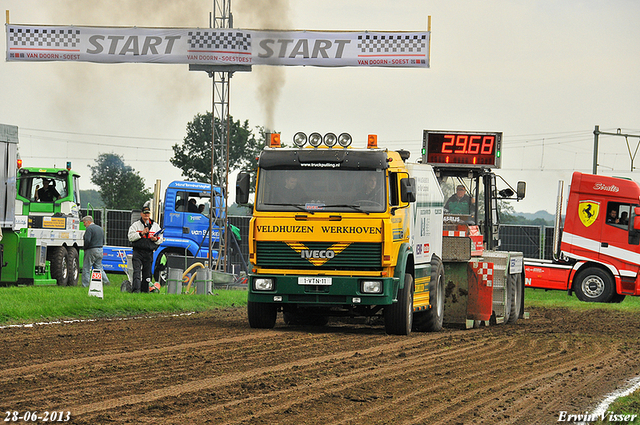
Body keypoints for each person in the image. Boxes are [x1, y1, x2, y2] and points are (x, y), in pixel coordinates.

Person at [128, 205, 163, 293]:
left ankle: (145, 290)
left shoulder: (155, 226)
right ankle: (136, 290)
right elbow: (130, 237)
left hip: (149, 252)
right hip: (137, 251)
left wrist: (156, 239)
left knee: (147, 273)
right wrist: (141, 234)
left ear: (149, 214)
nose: (146, 215)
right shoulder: (135, 225)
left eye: (147, 213)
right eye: (144, 213)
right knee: (136, 271)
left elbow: (161, 239)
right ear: (141, 214)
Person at [81, 216, 110, 287]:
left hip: (91, 250)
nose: (84, 224)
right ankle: (106, 282)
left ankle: (85, 285)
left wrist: (85, 248)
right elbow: (103, 240)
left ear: (88, 221)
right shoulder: (100, 228)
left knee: (86, 268)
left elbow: (87, 240)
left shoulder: (89, 229)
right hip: (100, 249)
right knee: (99, 267)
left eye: (84, 222)